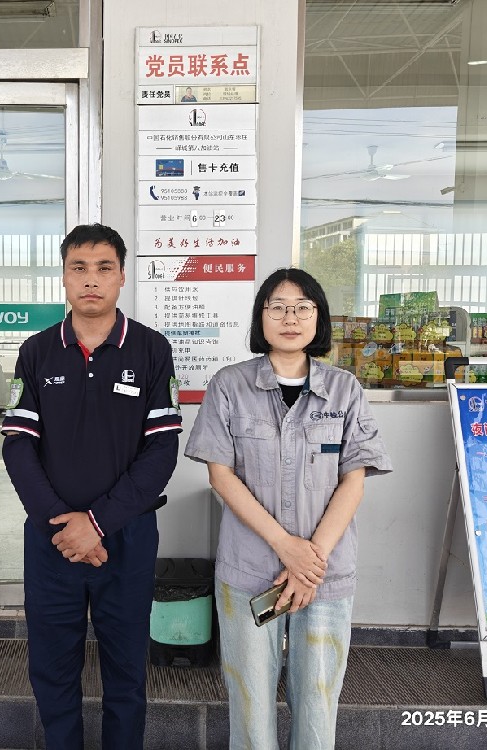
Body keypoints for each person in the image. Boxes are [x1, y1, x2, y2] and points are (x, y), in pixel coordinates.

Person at [184, 268, 391, 750]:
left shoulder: (345, 390)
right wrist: (286, 547)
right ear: (261, 318)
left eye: (302, 307)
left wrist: (309, 561)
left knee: (318, 707)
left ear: (319, 318)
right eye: (277, 307)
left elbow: (353, 480)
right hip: (250, 569)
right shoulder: (229, 385)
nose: (290, 318)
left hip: (325, 573)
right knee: (251, 705)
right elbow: (221, 475)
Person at [1, 223, 182, 749]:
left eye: (104, 268)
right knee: (52, 671)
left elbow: (161, 450)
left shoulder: (150, 349)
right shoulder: (38, 352)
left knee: (126, 673)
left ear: (122, 276)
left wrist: (98, 523)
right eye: (78, 268)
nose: (91, 279)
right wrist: (63, 526)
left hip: (126, 538)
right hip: (52, 539)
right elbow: (17, 445)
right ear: (64, 277)